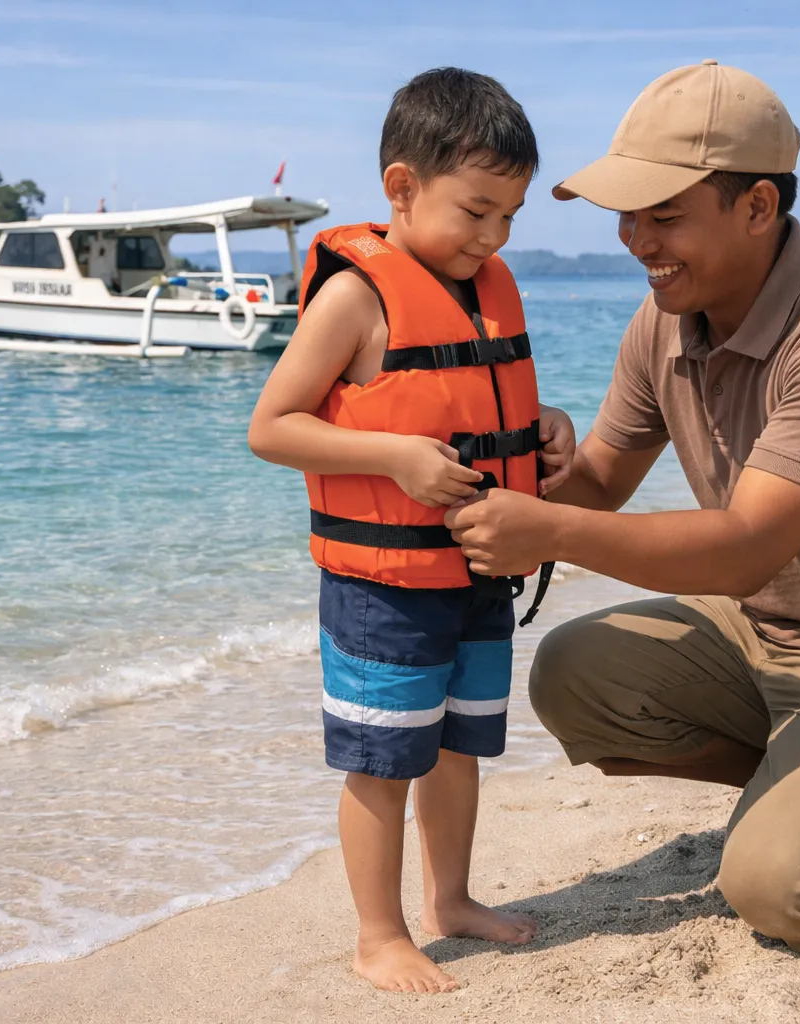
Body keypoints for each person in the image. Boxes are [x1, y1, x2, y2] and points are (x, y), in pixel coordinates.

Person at [444, 61, 800, 953]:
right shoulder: (665, 319)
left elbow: (745, 549)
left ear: (759, 207)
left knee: (782, 891)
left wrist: (548, 529)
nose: (636, 239)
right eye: (626, 214)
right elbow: (599, 483)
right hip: (771, 632)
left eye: (664, 214)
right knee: (573, 675)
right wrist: (518, 457)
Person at [248, 68, 576, 993]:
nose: (494, 236)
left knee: (461, 745)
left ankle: (454, 899)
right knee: (384, 758)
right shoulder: (356, 300)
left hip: (478, 573)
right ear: (401, 187)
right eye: (477, 212)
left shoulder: (488, 286)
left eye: (509, 217)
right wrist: (394, 457)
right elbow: (271, 426)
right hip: (382, 591)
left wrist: (548, 427)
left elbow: (483, 399)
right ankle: (378, 934)